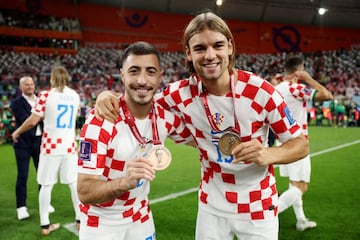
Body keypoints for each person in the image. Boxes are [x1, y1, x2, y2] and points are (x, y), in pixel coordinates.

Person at [95, 11, 309, 240]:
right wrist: (107, 95)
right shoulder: (179, 94)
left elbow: (300, 144)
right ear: (188, 53)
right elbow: (139, 101)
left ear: (229, 47)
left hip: (258, 207)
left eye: (217, 45)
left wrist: (268, 154)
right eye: (199, 48)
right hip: (211, 208)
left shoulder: (260, 91)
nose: (210, 55)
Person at [77, 41, 193, 240]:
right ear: (122, 74)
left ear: (159, 77)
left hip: (141, 217)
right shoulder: (101, 122)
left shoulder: (166, 118)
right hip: (101, 223)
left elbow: (203, 140)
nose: (142, 80)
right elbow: (84, 191)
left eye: (150, 71)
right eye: (134, 71)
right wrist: (124, 183)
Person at [12, 66, 81, 236]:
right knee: (73, 184)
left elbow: (32, 121)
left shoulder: (45, 95)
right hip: (70, 146)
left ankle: (45, 225)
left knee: (46, 185)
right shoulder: (75, 95)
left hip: (50, 146)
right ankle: (80, 219)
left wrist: (17, 131)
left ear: (52, 78)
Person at [275, 53, 333, 231]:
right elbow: (327, 95)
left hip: (282, 142)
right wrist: (309, 79)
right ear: (298, 71)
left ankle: (301, 220)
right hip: (297, 143)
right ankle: (267, 214)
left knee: (294, 183)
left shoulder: (277, 88)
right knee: (301, 186)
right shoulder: (295, 88)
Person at [10, 76, 43, 220]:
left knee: (43, 176)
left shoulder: (41, 99)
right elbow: (26, 120)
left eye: (31, 84)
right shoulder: (16, 103)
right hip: (22, 144)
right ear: (21, 87)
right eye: (26, 85)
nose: (30, 87)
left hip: (40, 142)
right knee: (22, 175)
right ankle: (21, 207)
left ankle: (44, 203)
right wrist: (42, 115)